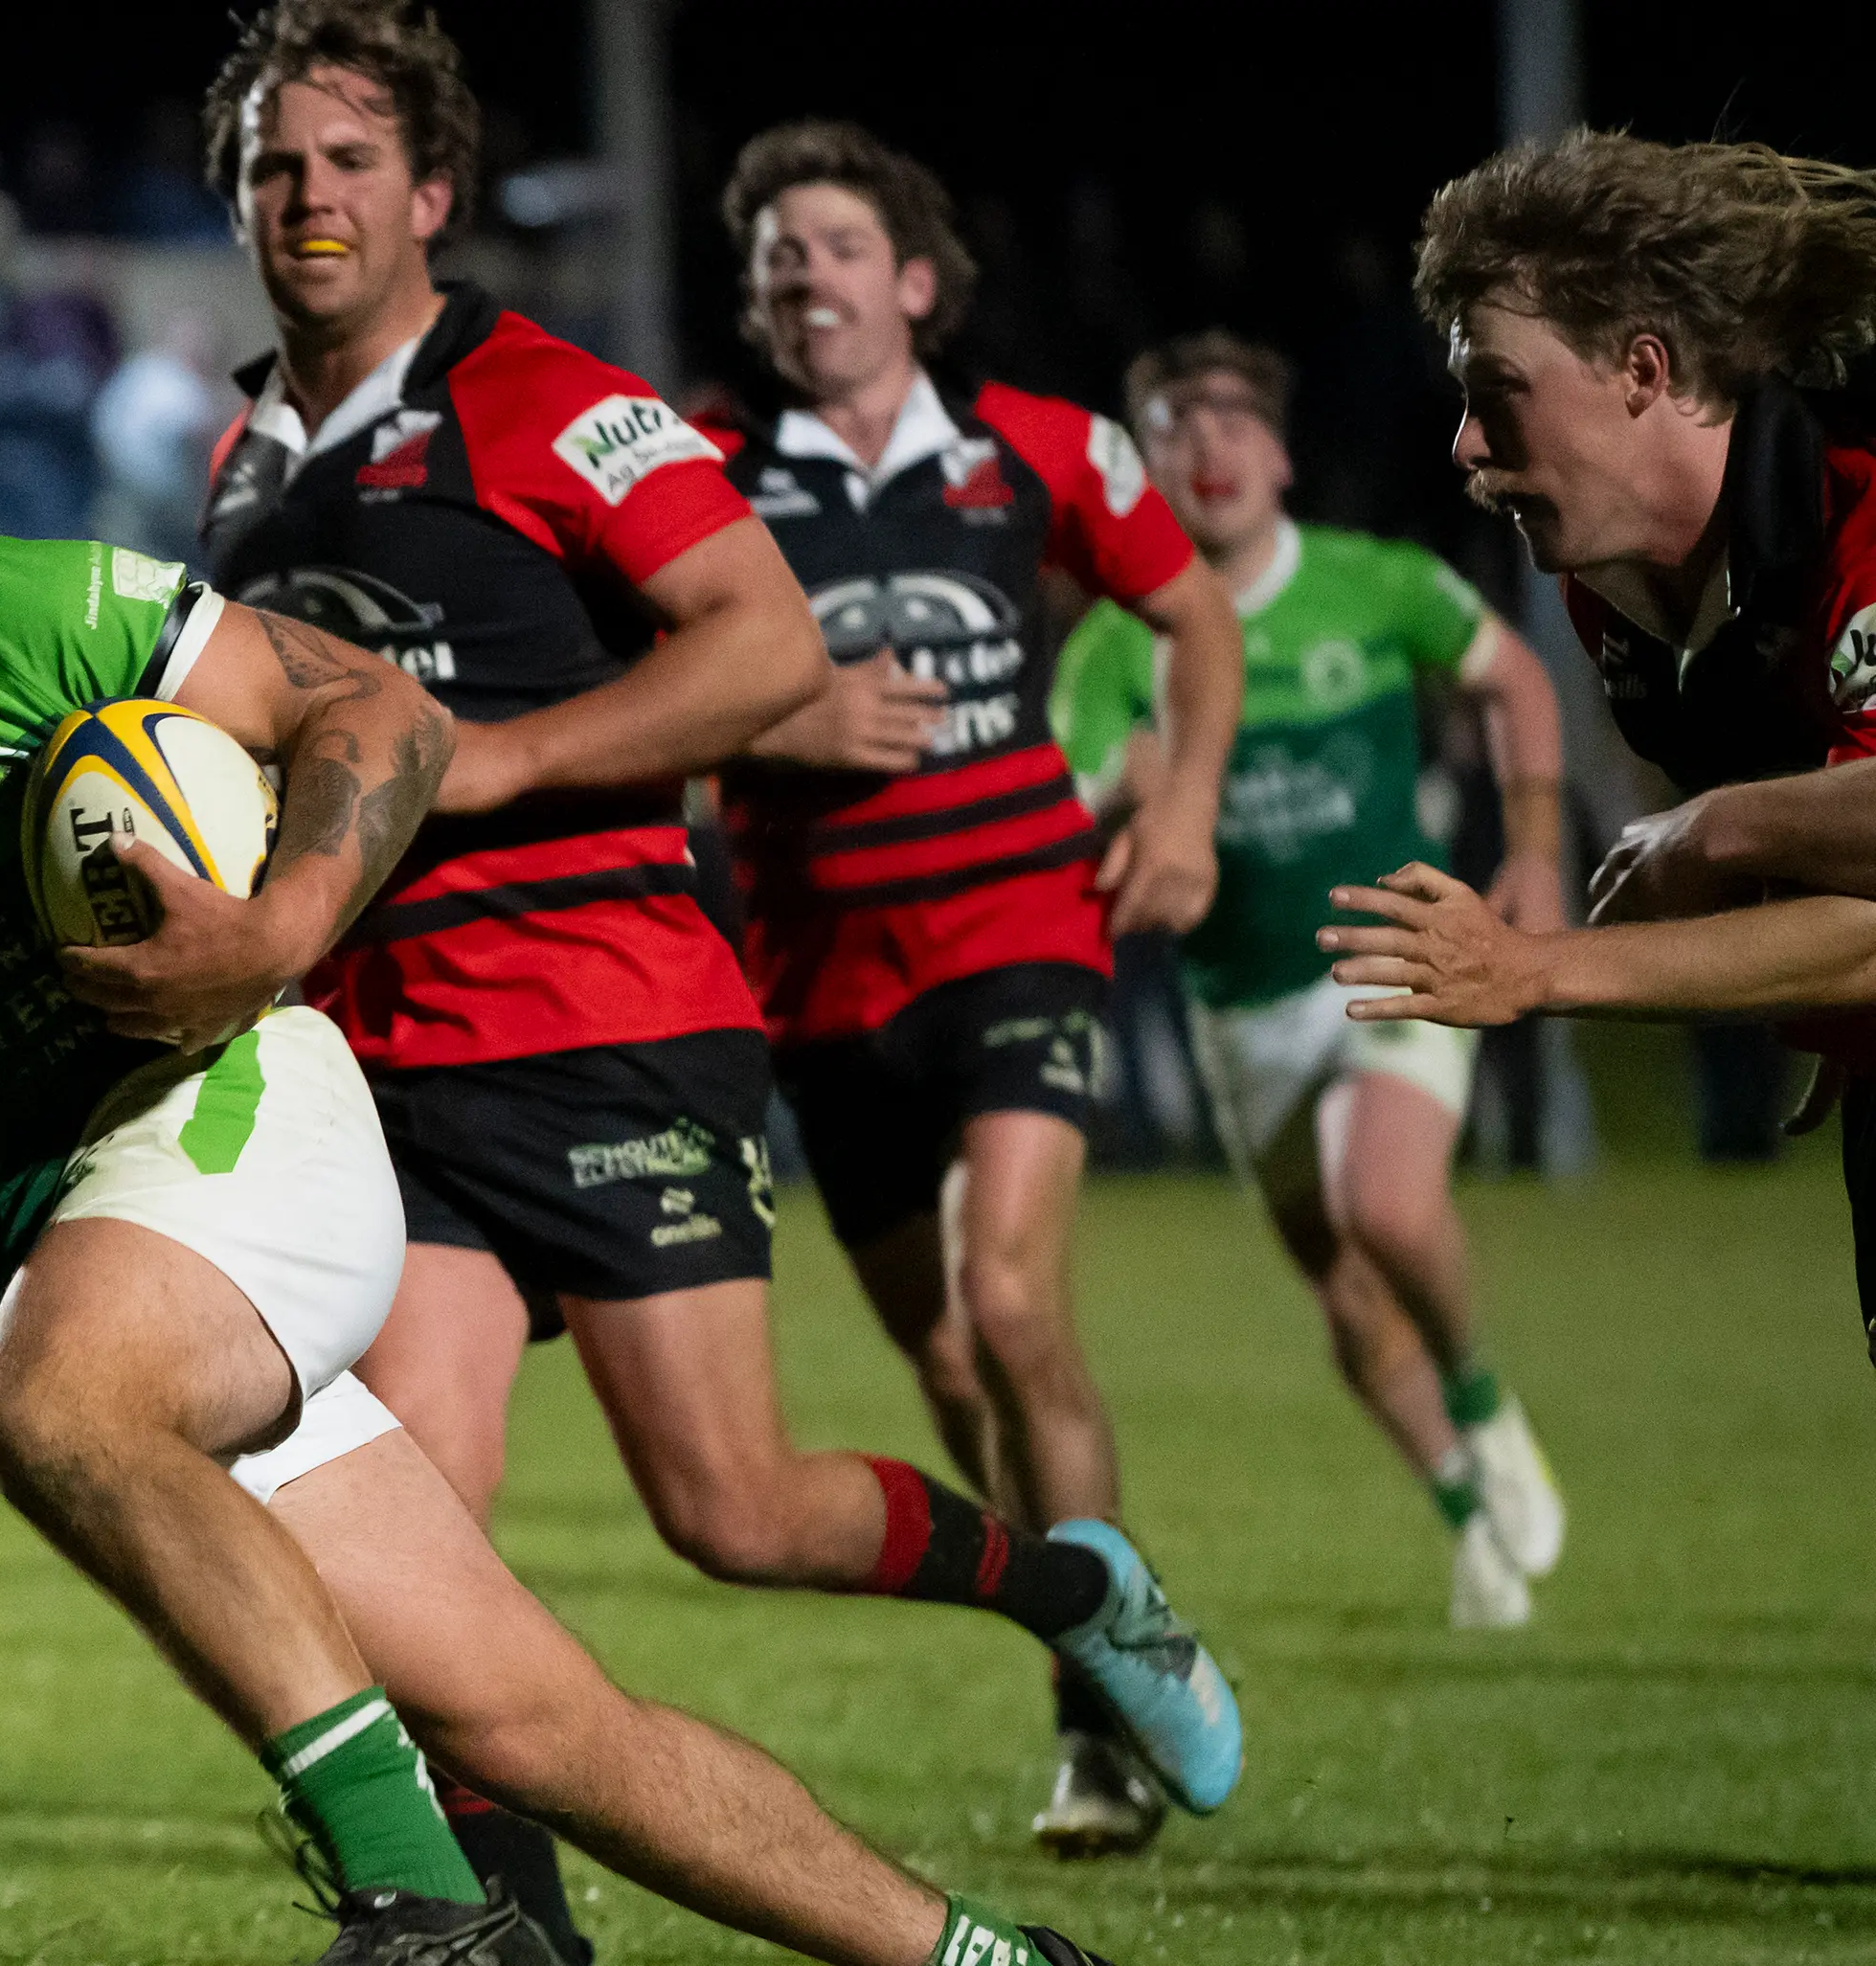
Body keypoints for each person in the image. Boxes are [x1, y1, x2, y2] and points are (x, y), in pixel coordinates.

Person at [0, 338, 1142, 1966]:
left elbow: (369, 704)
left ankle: (421, 1906)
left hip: (224, 1118)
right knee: (544, 1725)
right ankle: (987, 1957)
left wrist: (273, 928)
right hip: (76, 1270)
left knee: (57, 1403)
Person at [190, 5, 1239, 1934]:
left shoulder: (558, 401)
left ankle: (1069, 1588)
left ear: (433, 193)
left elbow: (760, 649)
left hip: (603, 1026)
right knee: (409, 1534)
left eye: (349, 159)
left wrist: (491, 757)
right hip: (381, 1055)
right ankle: (508, 1910)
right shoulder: (245, 453)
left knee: (733, 1512)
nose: (309, 194)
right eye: (274, 161)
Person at [705, 120, 1252, 1857]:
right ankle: (1090, 1619)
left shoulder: (1043, 449)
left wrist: (1179, 802)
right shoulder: (703, 471)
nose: (805, 271)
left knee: (1013, 1304)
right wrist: (784, 717)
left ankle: (1099, 1727)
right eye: (778, 251)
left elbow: (1198, 623)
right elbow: (635, 685)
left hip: (1018, 926)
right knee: (949, 1369)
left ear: (916, 285)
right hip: (816, 977)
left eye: (838, 245)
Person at [1318, 134, 1876, 1343]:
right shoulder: (1617, 591)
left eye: (1495, 394)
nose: (1465, 446)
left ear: (1641, 367)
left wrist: (1696, 846)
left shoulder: (1859, 514)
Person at [1052, 330, 1570, 1628]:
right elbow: (1079, 793)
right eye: (1176, 423)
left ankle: (1479, 1394)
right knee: (1339, 1288)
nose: (1209, 444)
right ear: (1144, 465)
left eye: (1233, 418)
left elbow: (1513, 675)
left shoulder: (1370, 583)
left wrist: (1542, 851)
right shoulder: (1120, 641)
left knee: (1386, 1205)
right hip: (1240, 1009)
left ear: (1281, 455)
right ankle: (1466, 1514)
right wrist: (1137, 792)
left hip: (1395, 955)